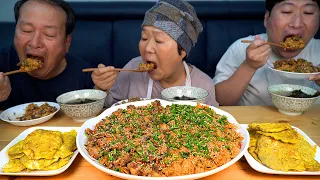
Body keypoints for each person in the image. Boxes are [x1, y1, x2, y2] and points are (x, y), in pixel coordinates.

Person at [92, 0, 218, 107]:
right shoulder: (131, 69)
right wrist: (101, 89)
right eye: (144, 38)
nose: (147, 48)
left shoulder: (203, 86)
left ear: (183, 50)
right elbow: (109, 107)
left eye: (159, 40)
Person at [213, 0, 320, 106]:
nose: (297, 24)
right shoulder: (241, 48)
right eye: (287, 12)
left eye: (308, 12)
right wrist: (248, 66)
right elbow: (219, 102)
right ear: (266, 18)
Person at [0, 0, 94, 110]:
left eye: (49, 34)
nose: (35, 43)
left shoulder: (86, 77)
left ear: (67, 42)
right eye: (26, 30)